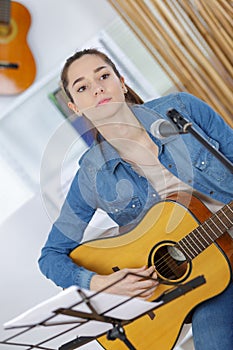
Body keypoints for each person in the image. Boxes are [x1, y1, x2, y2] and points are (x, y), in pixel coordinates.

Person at [38, 48, 233, 349]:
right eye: (83, 87)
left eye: (103, 76)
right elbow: (51, 256)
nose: (98, 88)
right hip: (210, 276)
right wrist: (102, 283)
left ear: (122, 82)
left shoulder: (181, 110)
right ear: (76, 107)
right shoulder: (92, 174)